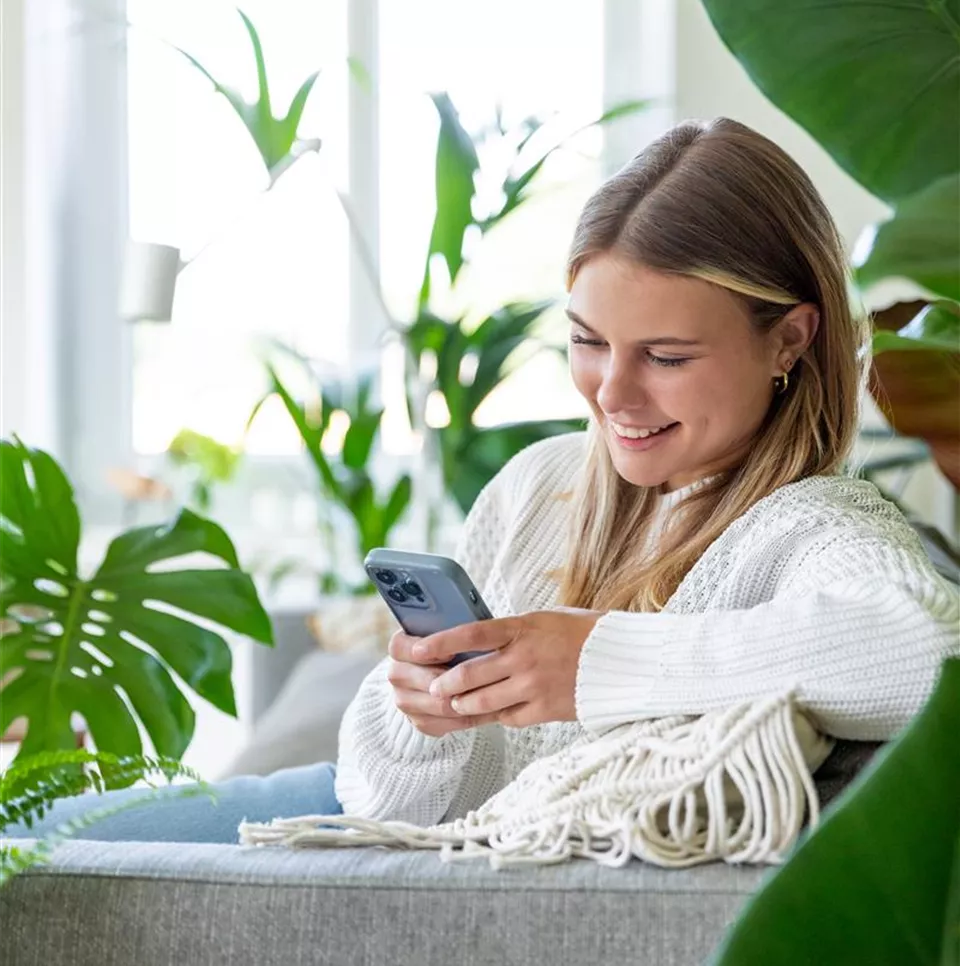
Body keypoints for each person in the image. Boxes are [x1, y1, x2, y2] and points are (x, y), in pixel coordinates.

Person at [10, 117, 958, 845]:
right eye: (587, 343)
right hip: (361, 815)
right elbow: (388, 801)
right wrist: (420, 709)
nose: (611, 393)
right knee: (27, 836)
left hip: (441, 846)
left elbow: (925, 655)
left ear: (790, 339)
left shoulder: (816, 526)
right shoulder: (541, 482)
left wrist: (595, 665)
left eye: (665, 355)